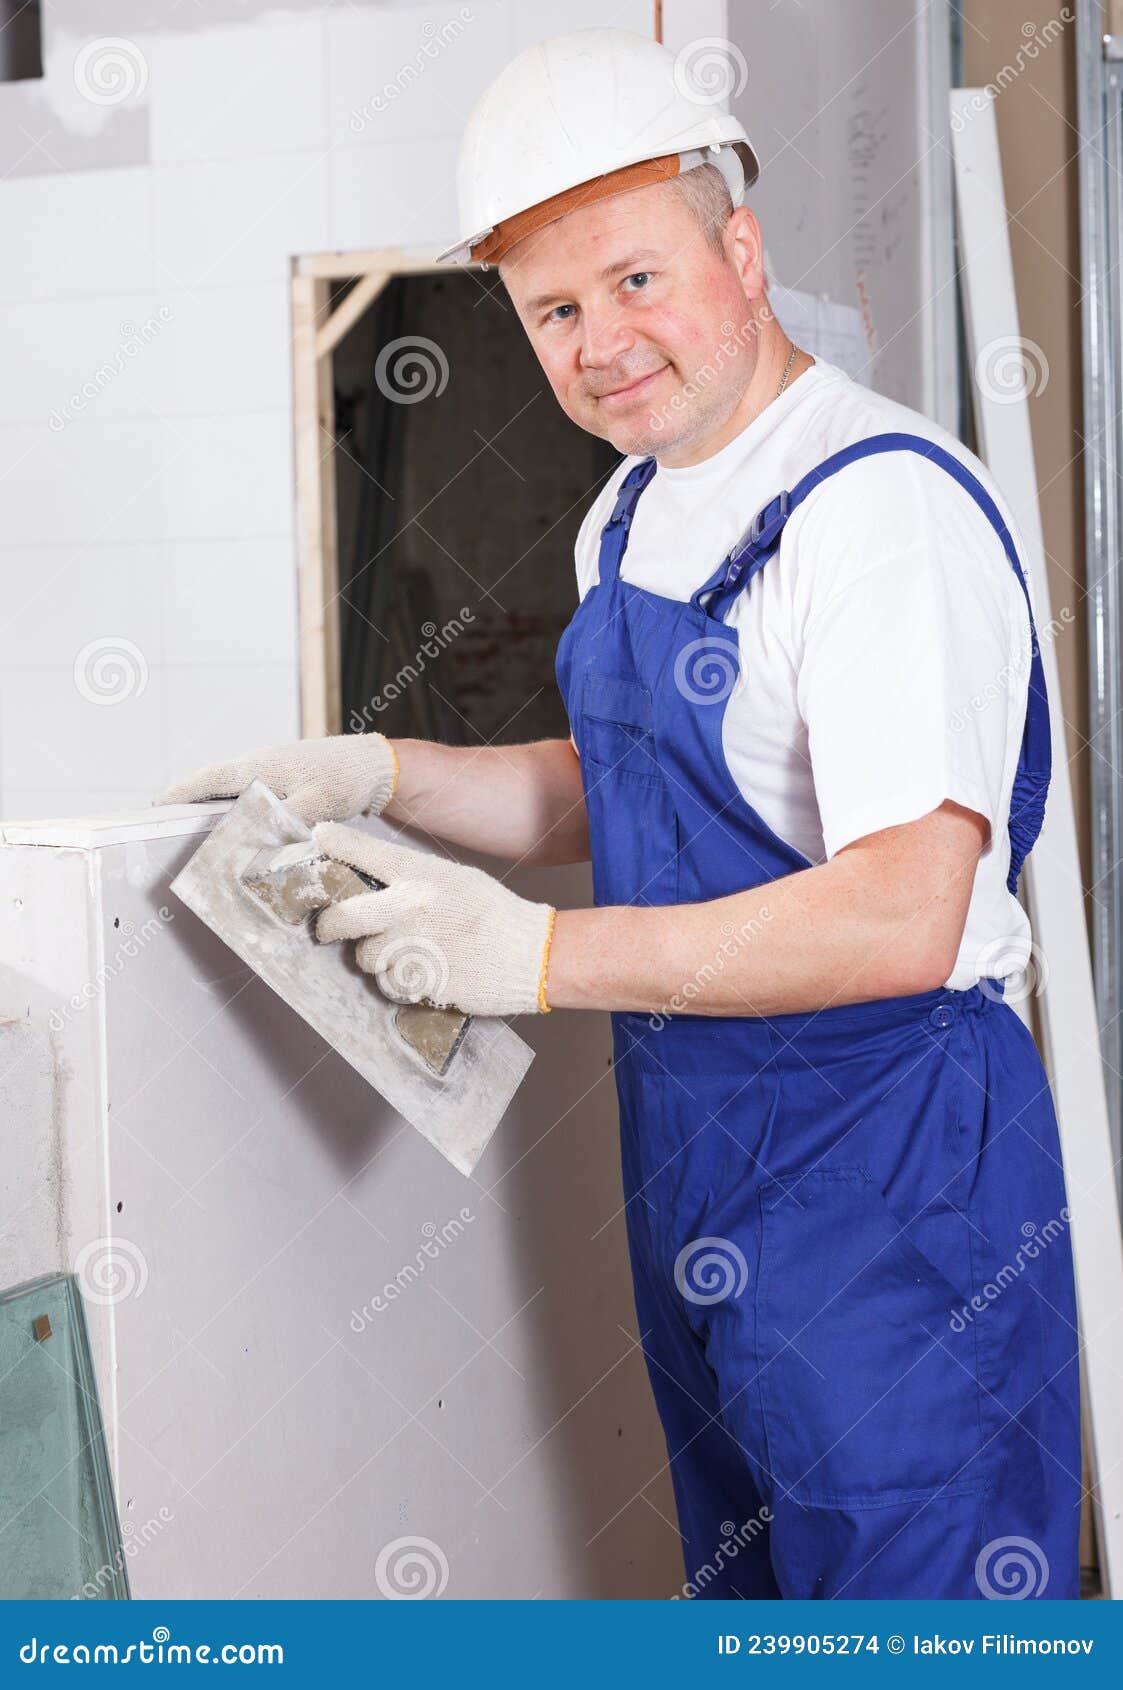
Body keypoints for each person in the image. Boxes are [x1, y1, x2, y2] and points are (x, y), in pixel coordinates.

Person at [159, 28, 1080, 1601]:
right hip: (711, 1163)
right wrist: (379, 771)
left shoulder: (874, 513)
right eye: (556, 310)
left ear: (741, 248)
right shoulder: (635, 509)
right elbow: (638, 781)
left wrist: (527, 957)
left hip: (895, 1183)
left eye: (637, 281)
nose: (602, 341)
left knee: (918, 1615)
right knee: (748, 1597)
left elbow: (898, 907)